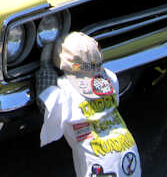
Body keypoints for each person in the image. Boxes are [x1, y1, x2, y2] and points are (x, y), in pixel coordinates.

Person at [36, 32, 141, 177]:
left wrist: (45, 67)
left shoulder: (66, 92)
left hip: (101, 167)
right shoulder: (110, 79)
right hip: (129, 155)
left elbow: (45, 103)